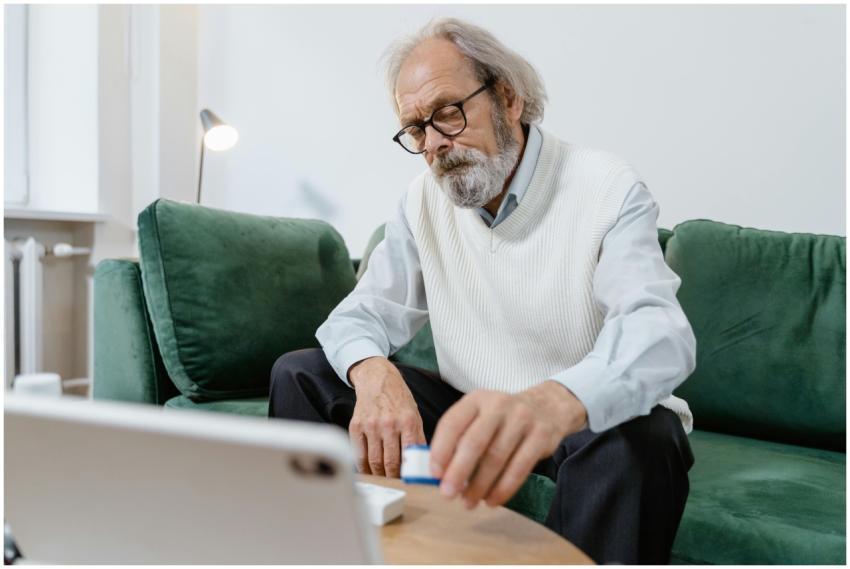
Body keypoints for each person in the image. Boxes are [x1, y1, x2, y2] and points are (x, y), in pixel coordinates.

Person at [269, 17, 696, 564]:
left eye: (448, 112)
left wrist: (552, 402)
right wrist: (375, 374)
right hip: (471, 410)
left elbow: (661, 334)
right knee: (301, 374)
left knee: (641, 438)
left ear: (508, 99)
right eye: (417, 129)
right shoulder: (422, 199)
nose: (435, 145)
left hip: (580, 422)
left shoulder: (606, 186)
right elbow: (360, 316)